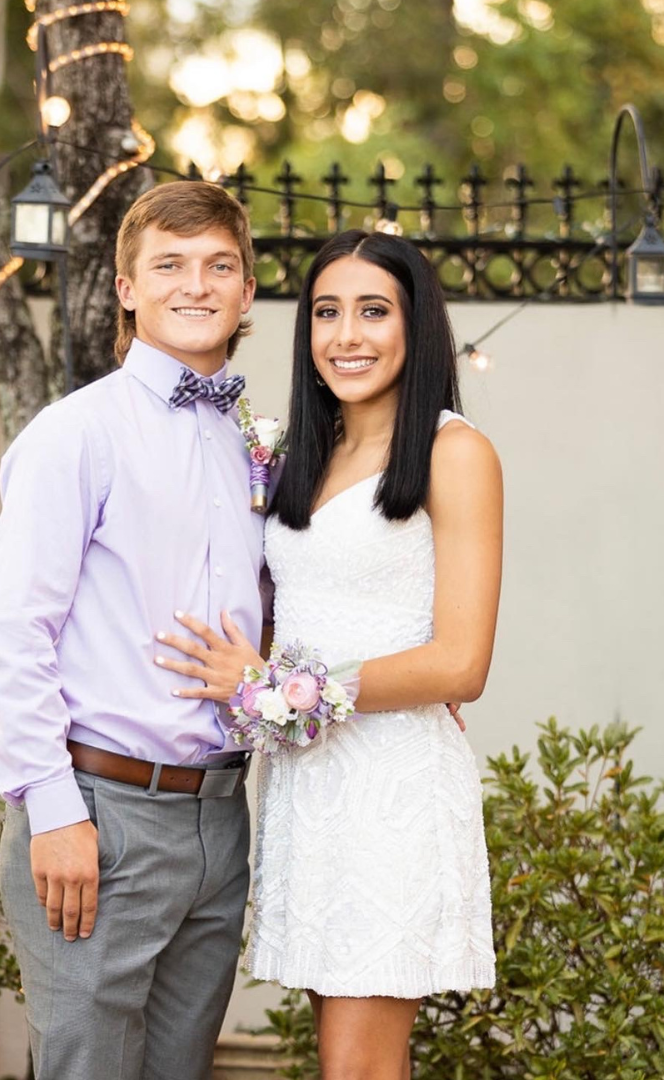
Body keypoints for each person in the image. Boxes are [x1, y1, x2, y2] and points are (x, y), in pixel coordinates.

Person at [154, 230, 501, 1080]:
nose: (347, 336)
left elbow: (461, 663)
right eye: (326, 312)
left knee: (358, 1068)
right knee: (348, 1060)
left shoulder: (455, 453)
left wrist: (275, 687)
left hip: (391, 790)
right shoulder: (299, 456)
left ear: (417, 327)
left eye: (374, 312)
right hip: (307, 791)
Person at [0, 181, 266, 1080]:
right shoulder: (76, 433)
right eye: (169, 265)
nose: (196, 284)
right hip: (102, 816)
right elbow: (13, 632)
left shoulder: (251, 444)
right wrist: (53, 808)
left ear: (248, 290)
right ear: (128, 288)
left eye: (219, 265)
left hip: (221, 818)